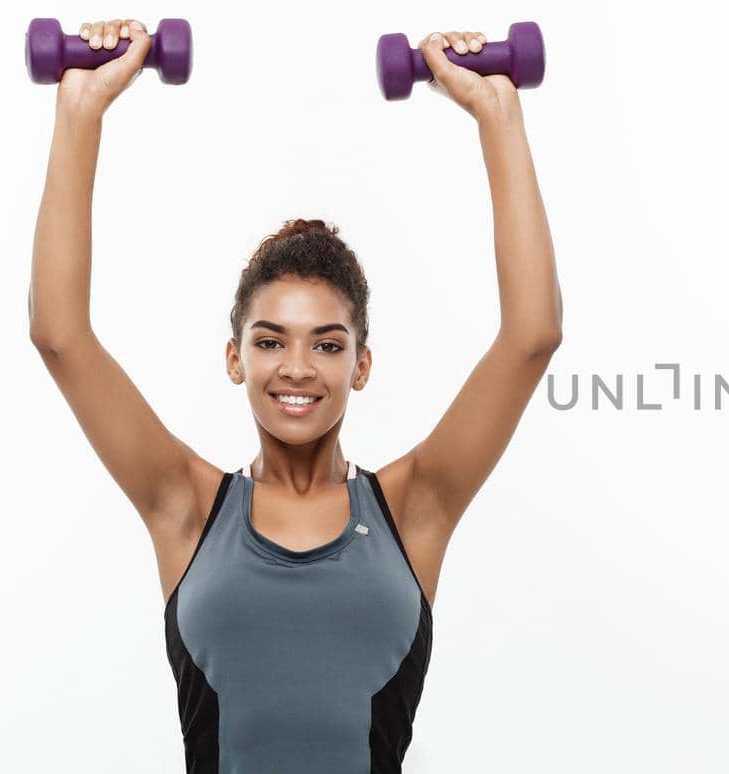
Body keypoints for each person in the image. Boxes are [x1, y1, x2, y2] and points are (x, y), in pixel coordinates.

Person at [28, 19, 563, 773]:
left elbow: (531, 338)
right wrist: (78, 111)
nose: (298, 368)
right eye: (271, 341)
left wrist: (498, 112)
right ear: (234, 359)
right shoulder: (184, 504)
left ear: (362, 365)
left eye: (328, 344)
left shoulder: (415, 507)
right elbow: (59, 335)